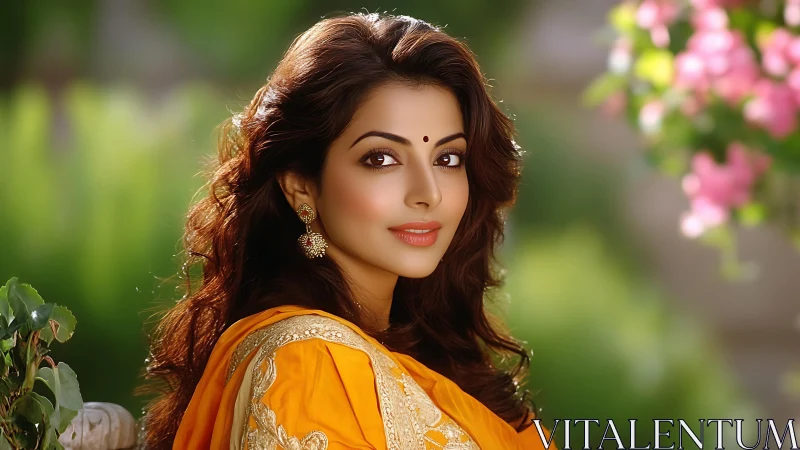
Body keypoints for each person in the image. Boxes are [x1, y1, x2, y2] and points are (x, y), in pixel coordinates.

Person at [139, 11, 555, 450]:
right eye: (381, 159)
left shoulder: (428, 356)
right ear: (300, 185)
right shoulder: (305, 361)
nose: (427, 193)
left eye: (447, 159)